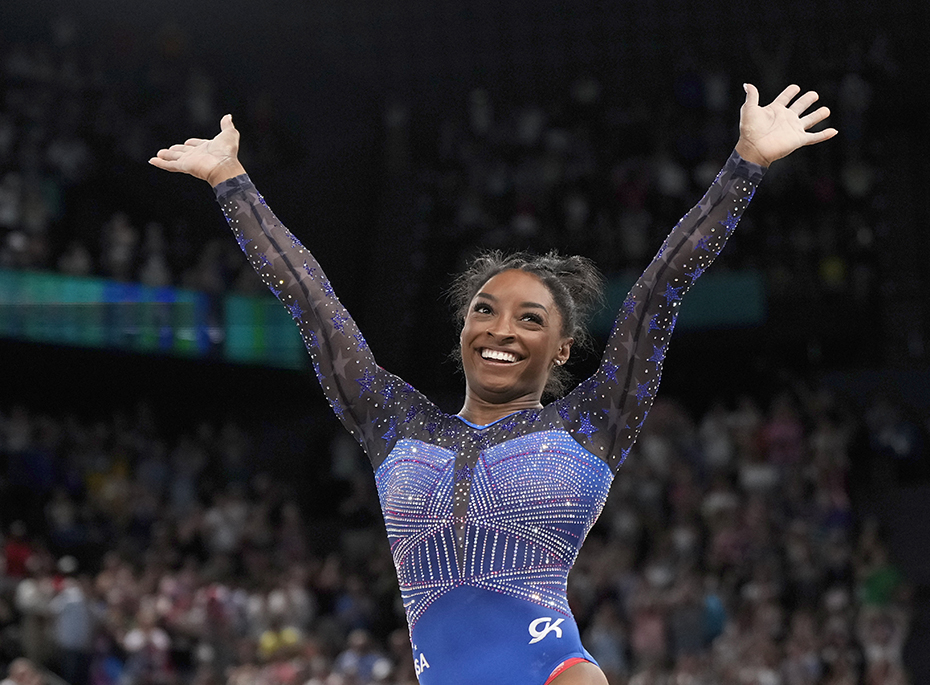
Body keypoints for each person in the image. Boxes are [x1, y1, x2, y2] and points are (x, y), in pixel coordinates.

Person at [151, 83, 836, 685]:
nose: (500, 329)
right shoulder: (394, 421)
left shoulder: (591, 423)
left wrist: (744, 167)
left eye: (529, 318)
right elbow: (311, 304)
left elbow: (661, 289)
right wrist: (230, 180)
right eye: (485, 309)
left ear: (562, 346)